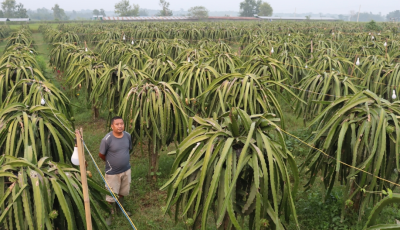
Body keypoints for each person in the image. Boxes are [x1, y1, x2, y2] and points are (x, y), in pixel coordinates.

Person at [99, 116, 132, 226]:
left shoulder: (127, 136)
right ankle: (109, 215)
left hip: (126, 170)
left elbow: (128, 150)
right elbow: (101, 154)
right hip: (112, 172)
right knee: (111, 195)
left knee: (123, 192)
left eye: (121, 124)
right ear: (112, 126)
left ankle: (120, 211)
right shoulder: (107, 139)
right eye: (117, 124)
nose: (120, 126)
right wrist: (111, 162)